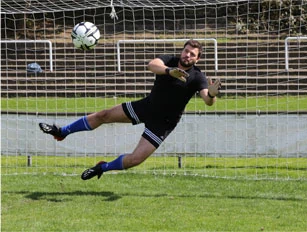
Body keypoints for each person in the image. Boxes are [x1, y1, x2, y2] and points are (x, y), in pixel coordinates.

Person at [39, 39, 221, 180]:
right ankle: (62, 131)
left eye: (192, 54)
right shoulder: (169, 60)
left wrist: (212, 94)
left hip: (163, 123)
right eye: (186, 51)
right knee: (104, 115)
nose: (187, 55)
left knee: (135, 160)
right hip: (146, 107)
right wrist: (169, 71)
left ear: (197, 59)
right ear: (182, 51)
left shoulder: (198, 77)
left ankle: (102, 167)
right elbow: (152, 65)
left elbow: (207, 100)